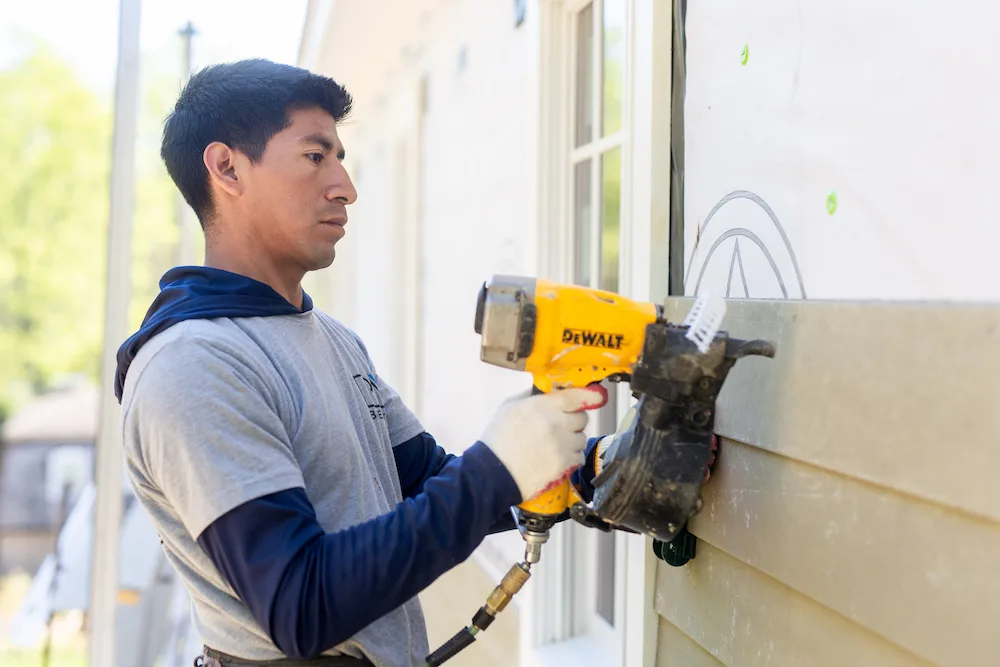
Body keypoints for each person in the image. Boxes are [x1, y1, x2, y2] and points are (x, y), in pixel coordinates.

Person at [114, 59, 613, 667]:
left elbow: (427, 480)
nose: (345, 186)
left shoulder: (331, 339)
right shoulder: (194, 364)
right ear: (227, 168)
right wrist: (495, 470)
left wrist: (589, 469)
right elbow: (301, 607)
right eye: (315, 156)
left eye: (341, 158)